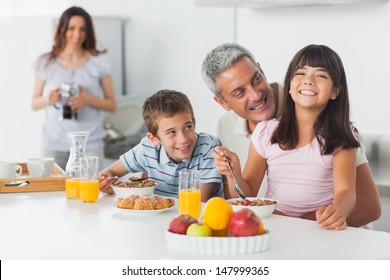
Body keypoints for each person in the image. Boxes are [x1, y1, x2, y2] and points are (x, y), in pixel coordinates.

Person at [201, 42, 381, 227]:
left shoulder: (339, 134)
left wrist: (303, 223)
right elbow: (244, 196)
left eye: (256, 79)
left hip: (329, 232)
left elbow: (363, 202)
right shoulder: (244, 129)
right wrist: (234, 174)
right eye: (239, 92)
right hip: (277, 231)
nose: (255, 95)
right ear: (223, 103)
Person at [98, 89, 223, 202]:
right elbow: (109, 171)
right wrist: (105, 181)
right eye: (171, 132)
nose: (183, 139)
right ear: (154, 139)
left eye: (188, 127)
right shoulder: (147, 148)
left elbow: (198, 203)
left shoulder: (207, 147)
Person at [31, 6, 116, 170]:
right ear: (62, 29)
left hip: (90, 144)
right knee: (52, 192)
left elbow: (112, 105)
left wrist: (88, 99)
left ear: (88, 32)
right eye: (71, 28)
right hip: (54, 143)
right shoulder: (46, 62)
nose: (77, 35)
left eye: (82, 29)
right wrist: (48, 98)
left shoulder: (99, 61)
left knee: (90, 192)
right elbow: (34, 102)